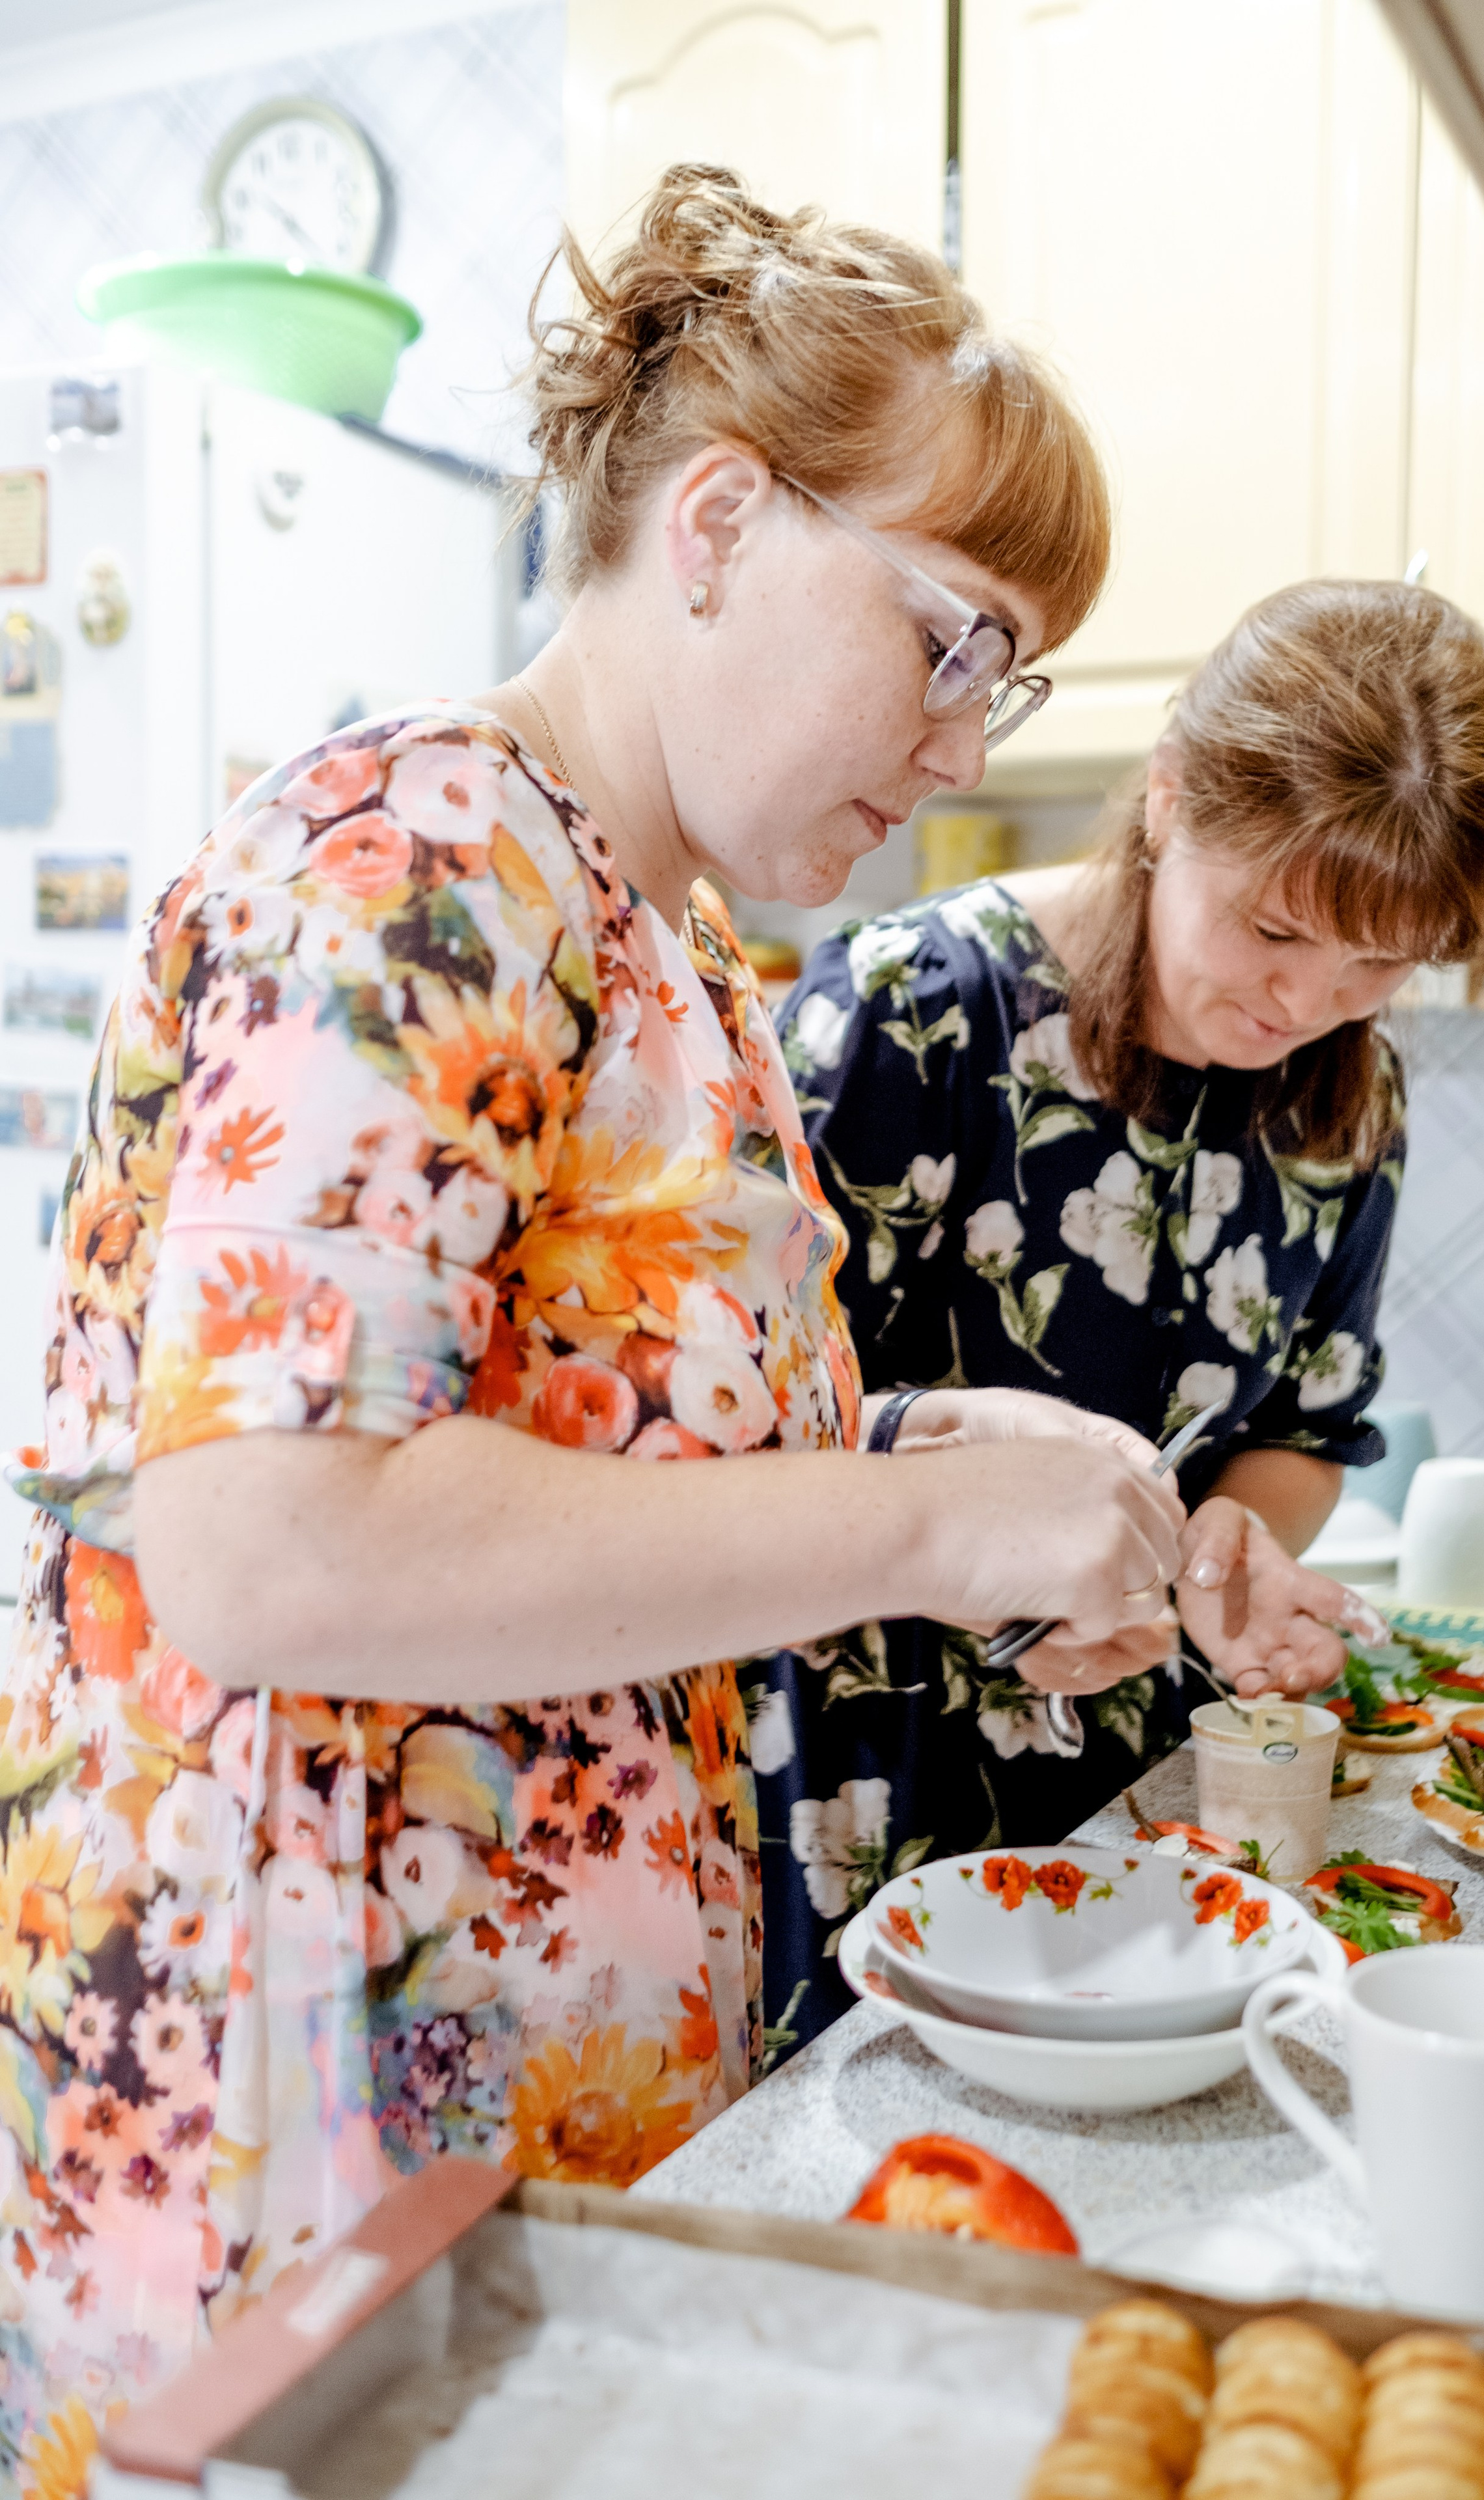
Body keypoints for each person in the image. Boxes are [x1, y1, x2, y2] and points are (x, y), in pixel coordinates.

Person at [0, 166, 1200, 2482]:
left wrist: (968, 1459)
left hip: (508, 2101)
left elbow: (615, 1448)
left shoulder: (674, 944)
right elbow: (272, 1541)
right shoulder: (416, 852)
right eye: (953, 639)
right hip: (294, 2128)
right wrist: (920, 1539)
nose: (968, 742)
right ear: (723, 521)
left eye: (1013, 677)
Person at [769, 576, 1484, 2040]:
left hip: (1142, 1786)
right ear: (1170, 799)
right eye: (1274, 928)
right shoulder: (909, 1014)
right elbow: (738, 1430)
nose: (1304, 1003)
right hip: (857, 1776)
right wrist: (981, 1561)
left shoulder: (1349, 1099)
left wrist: (1220, 1549)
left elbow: (1306, 1426)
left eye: (1375, 964)